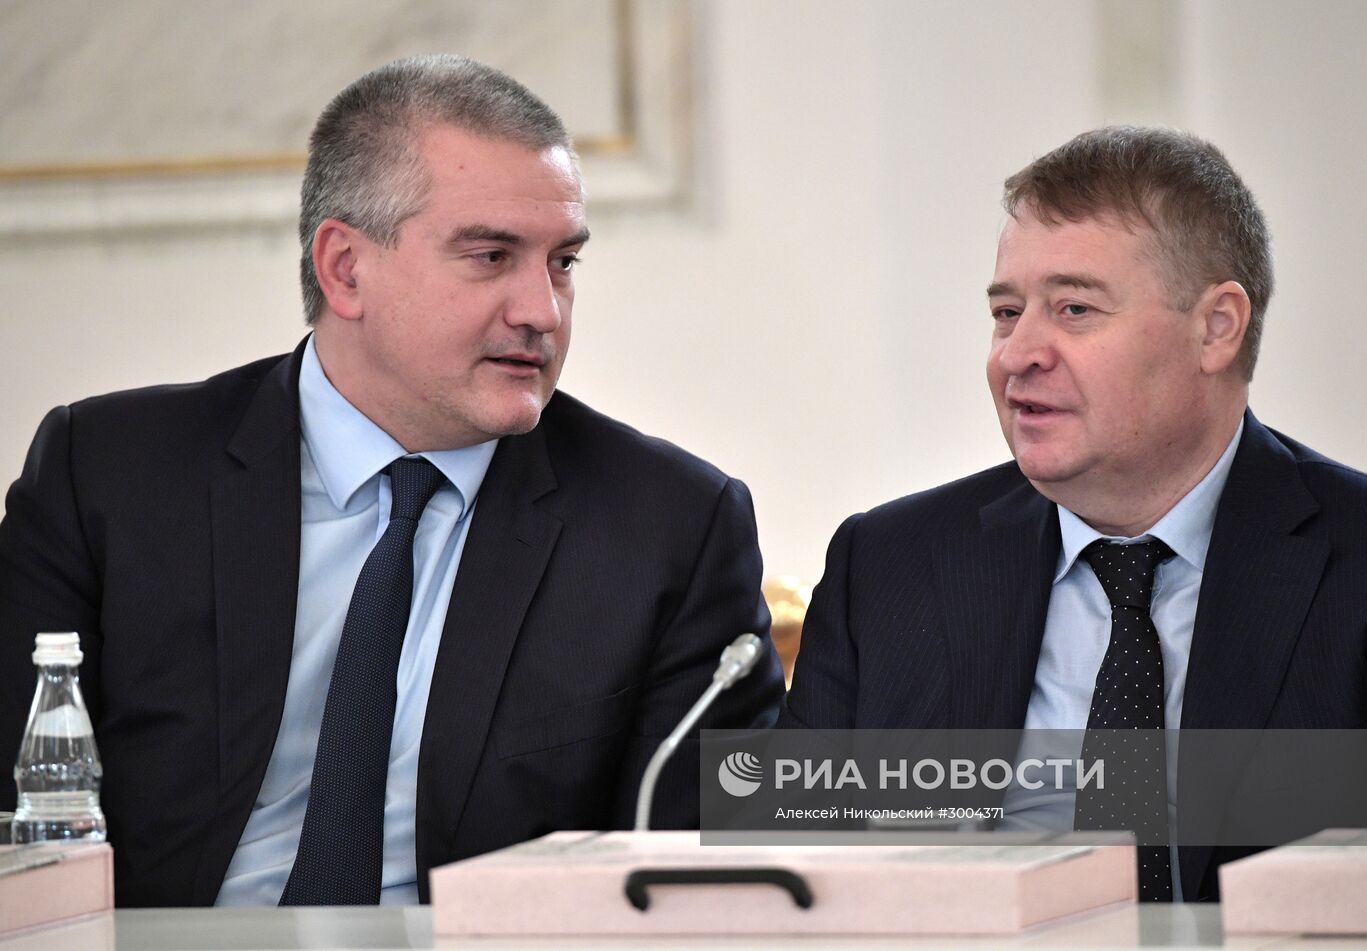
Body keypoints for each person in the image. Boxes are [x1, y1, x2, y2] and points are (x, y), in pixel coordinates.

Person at [0, 55, 783, 907]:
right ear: (344, 268)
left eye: (562, 262)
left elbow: (713, 863)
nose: (543, 311)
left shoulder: (669, 527)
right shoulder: (109, 476)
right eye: (491, 255)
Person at [780, 126, 1367, 901]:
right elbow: (789, 876)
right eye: (1007, 312)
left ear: (1217, 327)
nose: (1017, 354)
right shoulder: (889, 564)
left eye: (1074, 308)